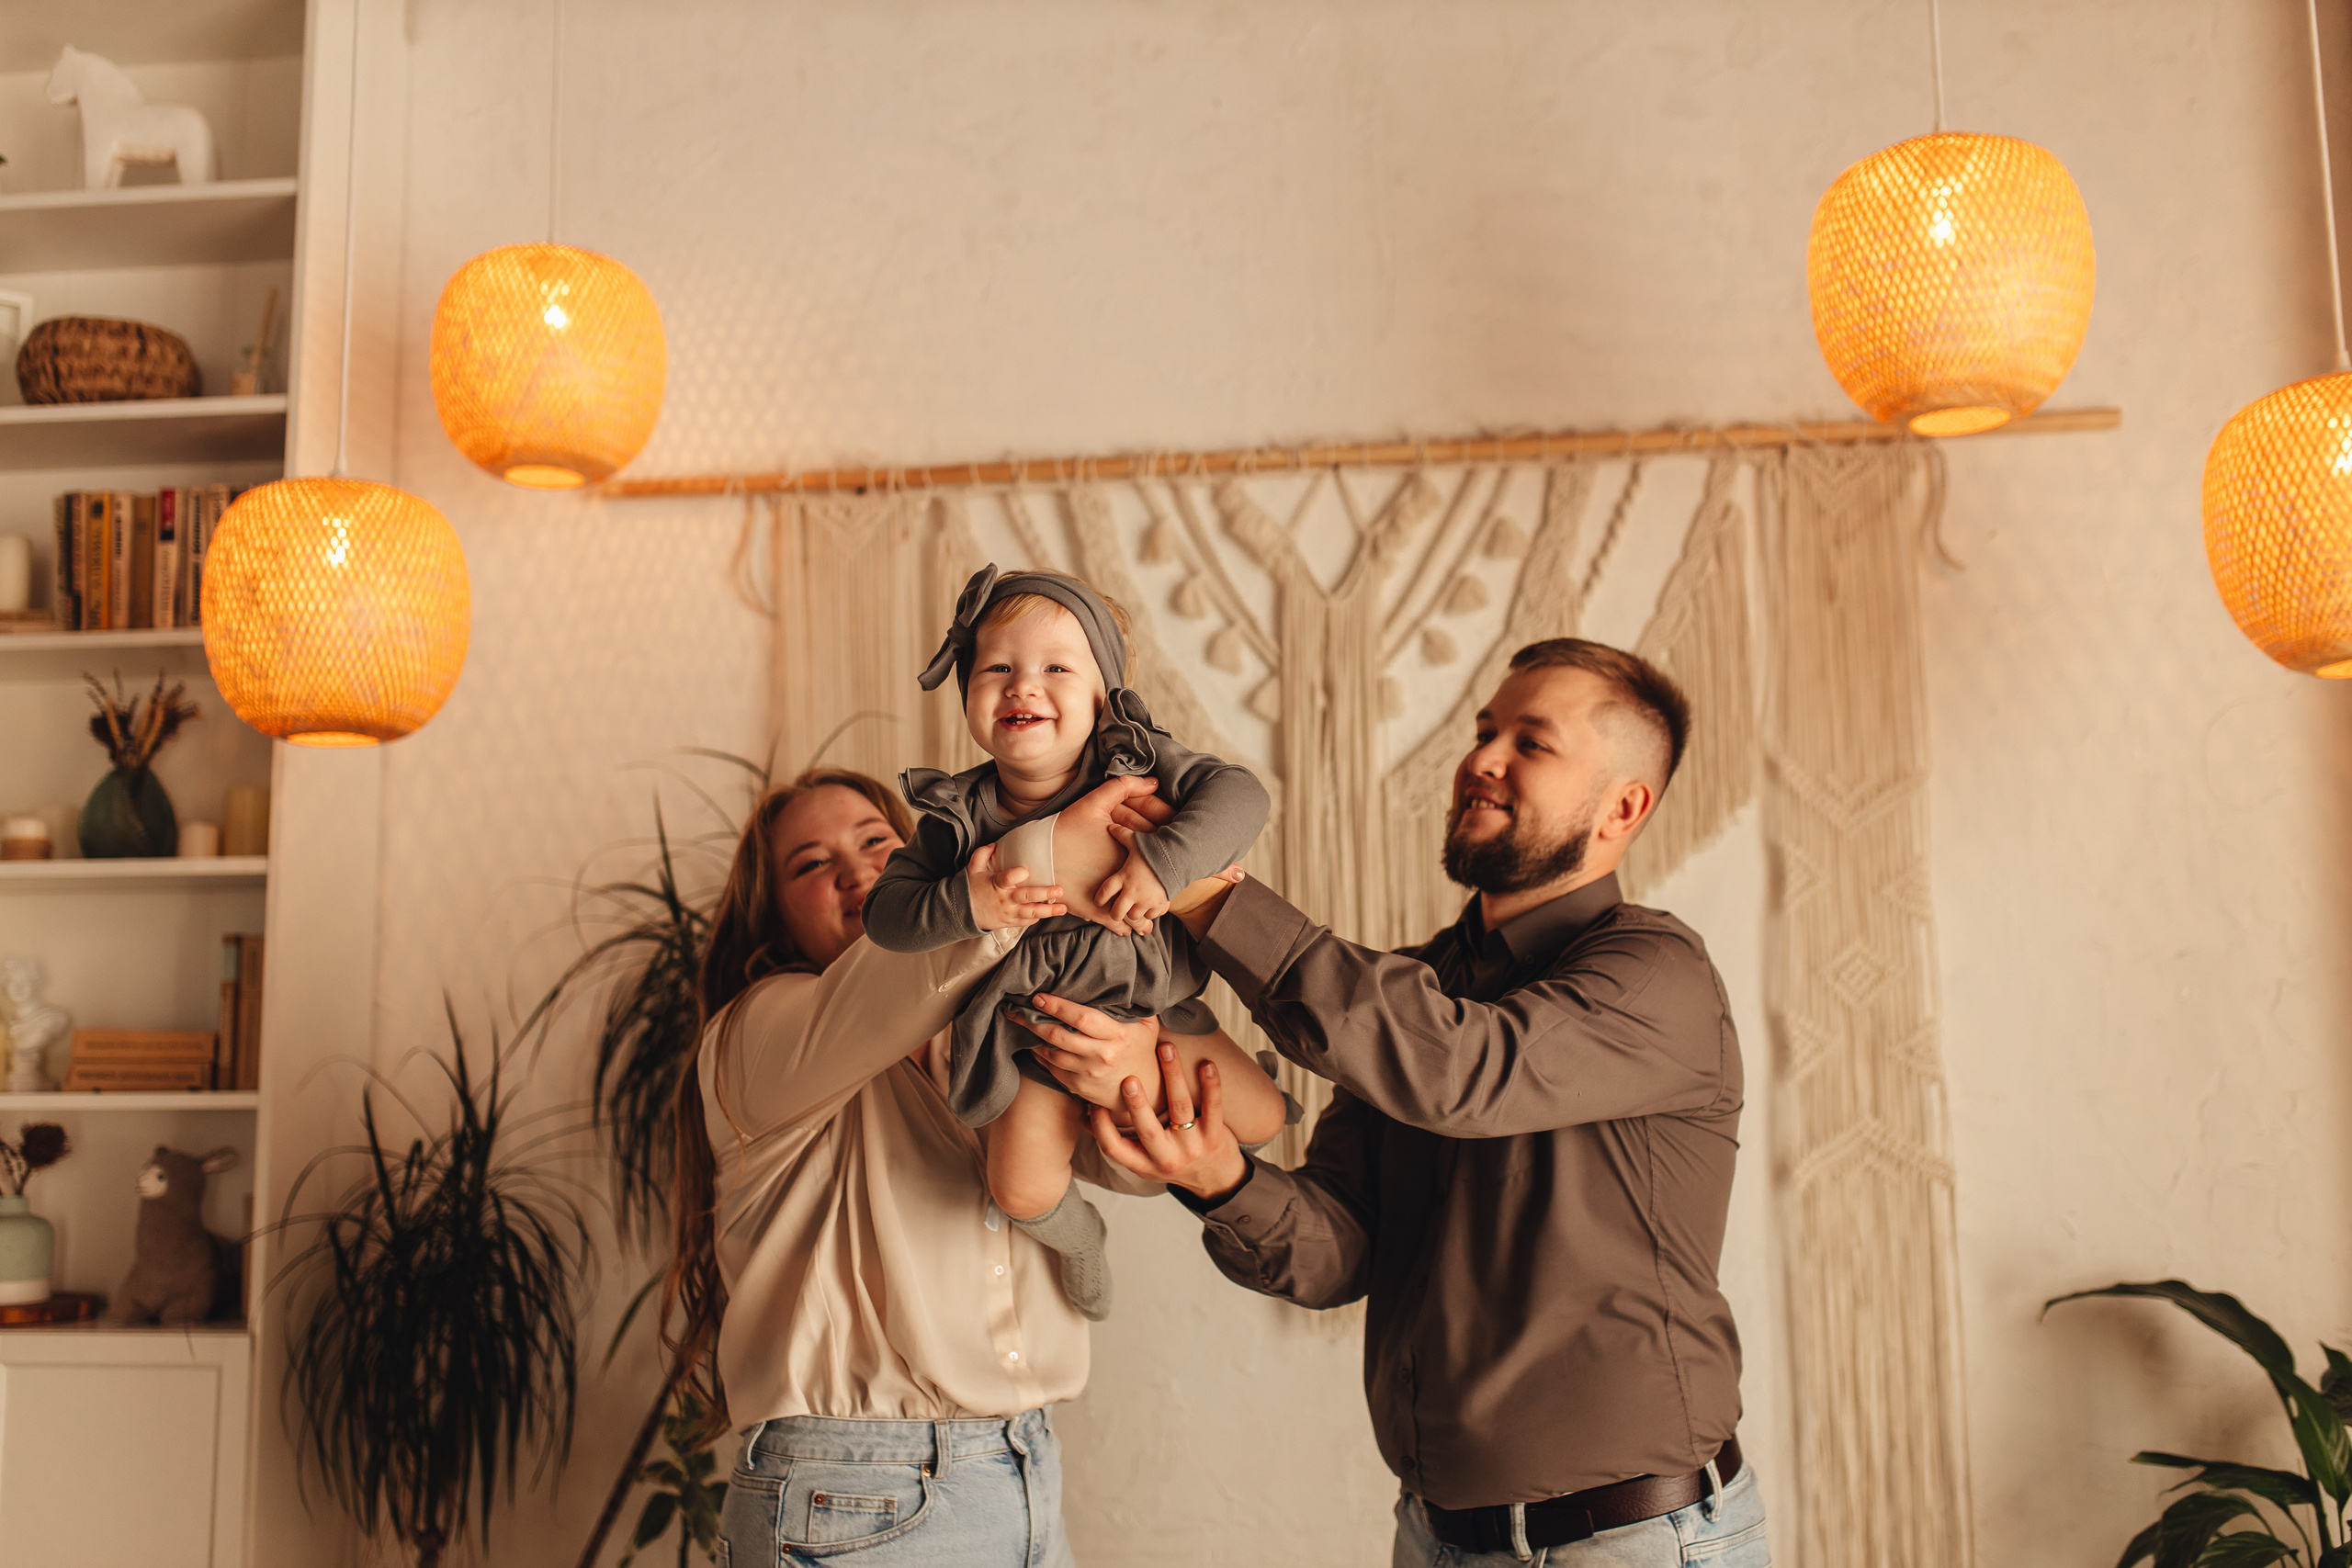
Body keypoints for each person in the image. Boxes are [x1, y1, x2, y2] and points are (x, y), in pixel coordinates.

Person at [1058, 637, 1770, 1568]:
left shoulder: (1658, 975)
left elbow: (1460, 1073)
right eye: (1484, 731)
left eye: (1530, 742)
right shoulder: (1416, 992)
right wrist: (1217, 1176)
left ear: (1623, 807)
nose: (1481, 758)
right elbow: (1339, 1251)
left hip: (1631, 1544)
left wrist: (1204, 897)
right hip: (1432, 1537)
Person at [664, 765, 1233, 1568]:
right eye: (810, 864)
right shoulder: (756, 1036)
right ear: (774, 913)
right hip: (852, 1487)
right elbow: (888, 983)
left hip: (1023, 1467)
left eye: (873, 842)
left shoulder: (977, 1029)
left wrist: (1161, 1123)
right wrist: (1038, 863)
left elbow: (1112, 1158)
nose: (854, 870)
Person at [863, 564, 1285, 1320]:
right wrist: (968, 898)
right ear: (967, 694)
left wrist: (1169, 859)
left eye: (1056, 667)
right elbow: (886, 915)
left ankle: (1154, 1107)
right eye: (997, 668)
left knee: (1265, 1118)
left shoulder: (1138, 765)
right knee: (1019, 1187)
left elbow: (1242, 794)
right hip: (1028, 1038)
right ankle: (1083, 1237)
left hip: (1156, 1013)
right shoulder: (959, 816)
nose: (1023, 686)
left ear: (1106, 695)